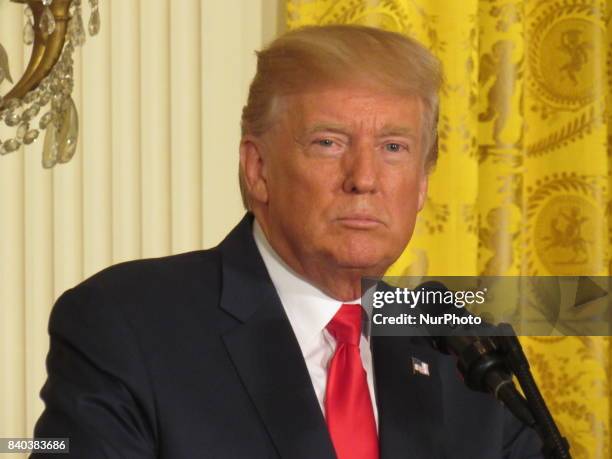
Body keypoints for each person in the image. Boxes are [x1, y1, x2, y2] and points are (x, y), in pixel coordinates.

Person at [32, 25, 542, 458]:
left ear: (423, 184)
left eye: (393, 147)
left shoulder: (466, 355)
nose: (364, 178)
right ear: (258, 170)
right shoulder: (128, 324)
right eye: (328, 142)